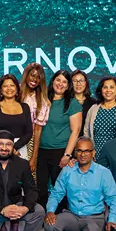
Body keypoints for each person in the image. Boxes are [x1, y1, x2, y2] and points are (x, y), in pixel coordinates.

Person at [44, 136, 116, 231]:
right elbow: (56, 193)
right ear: (75, 152)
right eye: (79, 150)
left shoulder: (103, 173)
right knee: (49, 225)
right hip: (72, 215)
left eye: (86, 151)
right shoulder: (67, 170)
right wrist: (50, 211)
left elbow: (114, 198)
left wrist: (112, 220)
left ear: (93, 153)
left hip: (94, 218)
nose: (82, 154)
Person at [0, 74, 33, 231]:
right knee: (0, 189)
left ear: (17, 88)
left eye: (12, 86)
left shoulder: (25, 107)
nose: (8, 89)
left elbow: (29, 132)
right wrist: (6, 146)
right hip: (0, 149)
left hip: (20, 150)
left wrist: (15, 147)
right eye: (5, 86)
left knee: (16, 190)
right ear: (0, 89)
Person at [36, 70, 82, 212]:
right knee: (40, 188)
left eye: (64, 82)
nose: (60, 84)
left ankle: (59, 220)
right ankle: (42, 218)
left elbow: (75, 131)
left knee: (60, 188)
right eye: (58, 80)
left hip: (60, 152)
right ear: (52, 81)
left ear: (68, 86)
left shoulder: (72, 103)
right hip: (41, 151)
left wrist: (67, 155)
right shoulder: (43, 99)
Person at [84, 75, 116, 159]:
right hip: (97, 155)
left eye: (112, 87)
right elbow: (86, 132)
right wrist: (89, 151)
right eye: (105, 87)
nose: (108, 90)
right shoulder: (94, 108)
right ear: (101, 90)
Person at [19, 62, 50, 175]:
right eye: (32, 75)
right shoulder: (15, 92)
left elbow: (37, 129)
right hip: (11, 138)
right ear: (26, 75)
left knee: (28, 176)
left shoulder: (42, 100)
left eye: (38, 77)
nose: (35, 79)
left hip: (29, 141)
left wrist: (34, 156)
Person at [72, 69, 96, 136]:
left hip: (87, 140)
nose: (78, 83)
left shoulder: (93, 103)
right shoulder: (66, 101)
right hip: (67, 141)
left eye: (81, 81)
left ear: (86, 83)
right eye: (75, 81)